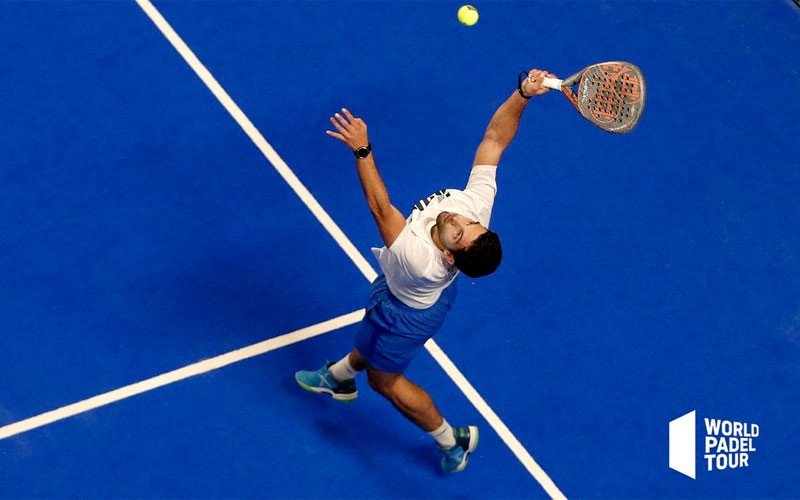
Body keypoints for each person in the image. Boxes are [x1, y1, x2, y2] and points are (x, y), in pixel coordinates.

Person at [295, 69, 555, 473]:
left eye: (459, 233)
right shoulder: (474, 211)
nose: (458, 219)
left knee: (385, 382)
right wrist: (523, 93)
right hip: (406, 297)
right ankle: (341, 377)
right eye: (470, 224)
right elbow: (495, 140)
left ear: (450, 257)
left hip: (405, 314)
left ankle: (453, 441)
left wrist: (362, 150)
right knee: (372, 340)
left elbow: (381, 209)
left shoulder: (418, 258)